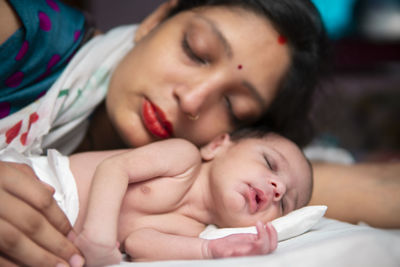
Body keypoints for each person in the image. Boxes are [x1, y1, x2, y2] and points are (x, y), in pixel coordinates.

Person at [0, 0, 398, 266]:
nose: (191, 100)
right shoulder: (27, 31)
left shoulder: (239, 188)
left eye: (232, 106)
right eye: (195, 51)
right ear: (156, 20)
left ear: (229, 137)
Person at [0, 130, 313, 265]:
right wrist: (98, 235)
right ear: (218, 146)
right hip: (44, 181)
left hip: (48, 232)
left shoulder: (195, 228)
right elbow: (115, 168)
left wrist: (213, 249)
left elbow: (137, 244)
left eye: (284, 204)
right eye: (270, 164)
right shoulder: (184, 158)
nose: (277, 189)